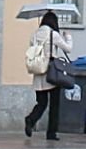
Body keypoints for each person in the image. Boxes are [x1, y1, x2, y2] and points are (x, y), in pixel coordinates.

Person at [23, 10, 74, 142]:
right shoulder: (53, 34)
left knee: (41, 103)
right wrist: (68, 37)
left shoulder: (34, 35)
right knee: (54, 105)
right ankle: (51, 132)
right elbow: (68, 49)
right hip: (52, 73)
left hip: (38, 72)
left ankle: (31, 119)